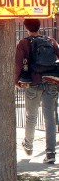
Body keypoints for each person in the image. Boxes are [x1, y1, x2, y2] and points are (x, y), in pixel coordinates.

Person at [15, 18, 58, 164]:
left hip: (33, 83)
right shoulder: (50, 41)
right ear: (39, 26)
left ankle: (28, 144)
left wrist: (16, 82)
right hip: (51, 82)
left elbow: (18, 64)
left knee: (31, 116)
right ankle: (51, 153)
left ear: (26, 27)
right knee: (50, 118)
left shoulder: (23, 43)